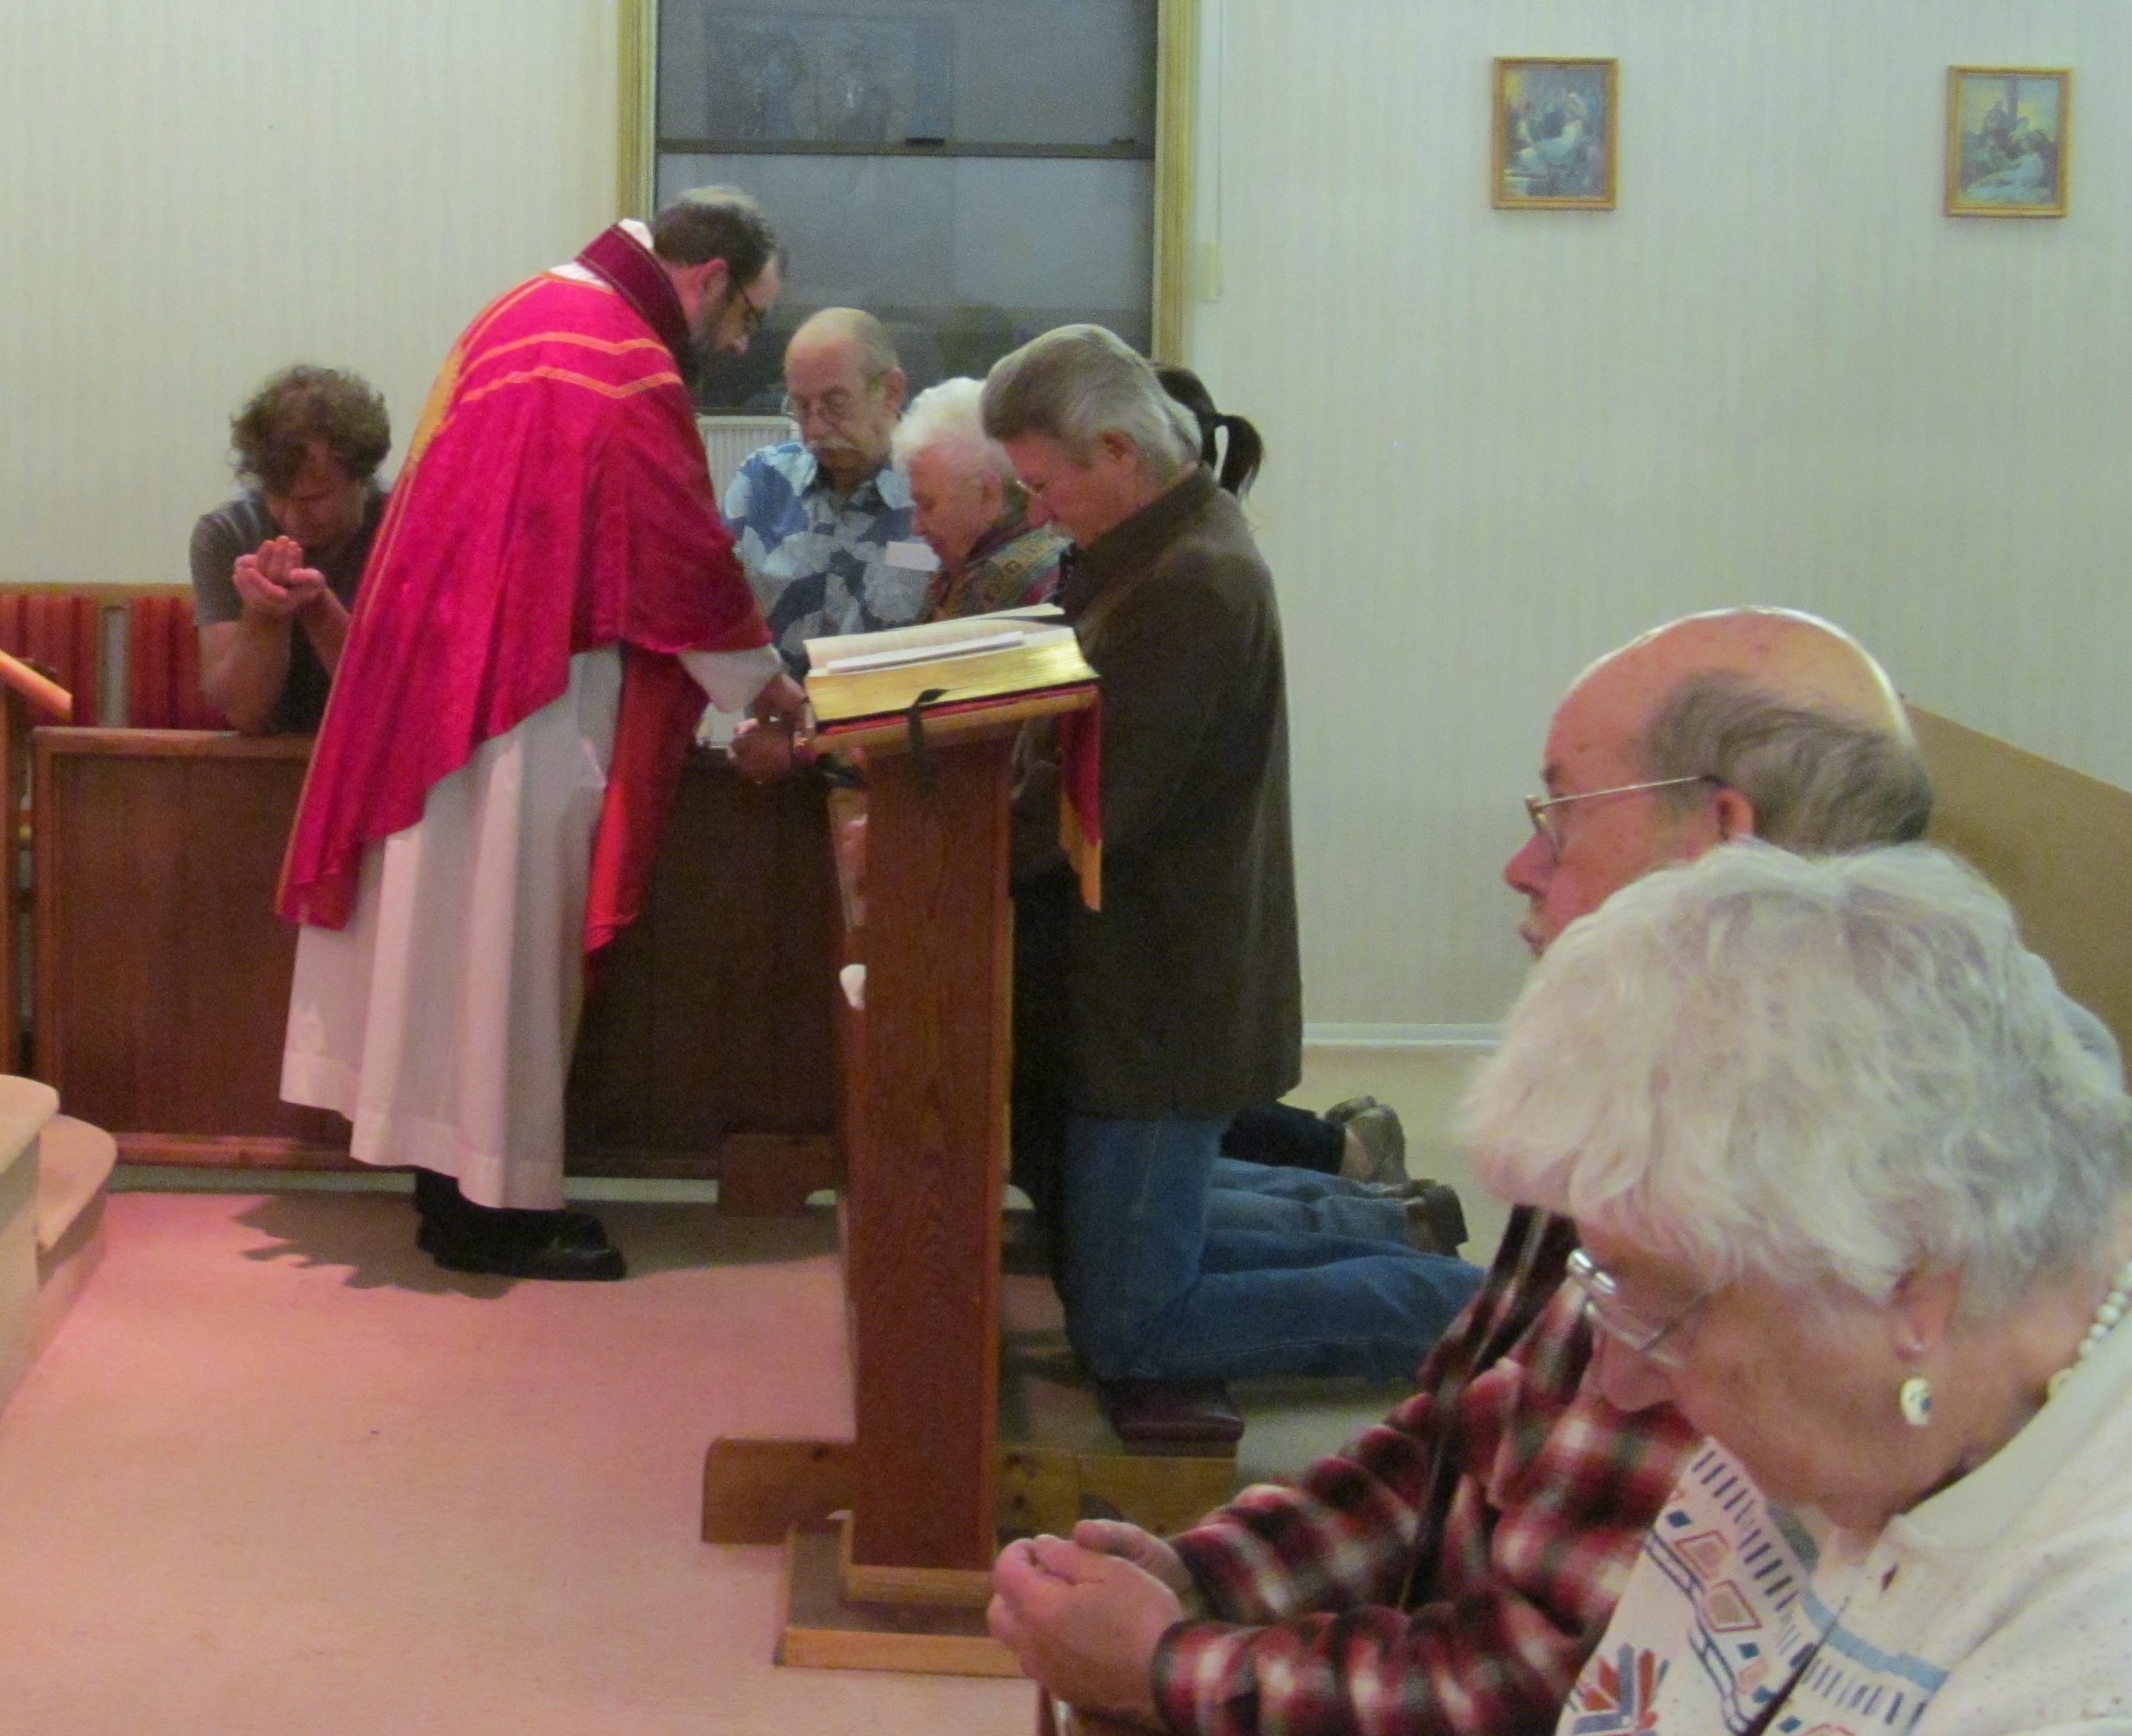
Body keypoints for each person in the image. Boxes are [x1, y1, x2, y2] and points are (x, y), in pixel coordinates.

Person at [987, 608, 1974, 1734]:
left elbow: (1557, 1674)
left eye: (1560, 812)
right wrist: (1209, 1574)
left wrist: (1172, 1666)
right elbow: (1453, 1438)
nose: (1523, 861)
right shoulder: (1650, 1069)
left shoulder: (1791, 1187)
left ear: (1721, 840)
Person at [1465, 842, 2132, 1734]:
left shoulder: (2093, 1660)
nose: (1618, 1383)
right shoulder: (1855, 1425)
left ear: (1912, 1275)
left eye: (1660, 1310)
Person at [277, 188, 805, 1281]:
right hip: (528, 694)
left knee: (439, 951)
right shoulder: (624, 355)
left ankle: (446, 1196)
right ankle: (493, 1211)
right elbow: (683, 551)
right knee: (501, 953)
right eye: (747, 315)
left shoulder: (521, 312)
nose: (740, 341)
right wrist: (765, 684)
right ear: (706, 278)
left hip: (438, 678)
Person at [986, 323, 1485, 1399]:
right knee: (1124, 1237)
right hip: (1128, 981)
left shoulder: (1189, 583)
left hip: (1155, 991)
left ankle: (1475, 1314)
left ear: (1118, 452)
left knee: (1135, 1328)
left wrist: (934, 843)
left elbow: (1093, 810)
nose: (1033, 512)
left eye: (1044, 482)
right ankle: (1391, 1228)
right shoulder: (1151, 548)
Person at [723, 306, 928, 676]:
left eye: (835, 405)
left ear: (892, 391)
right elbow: (713, 611)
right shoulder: (764, 484)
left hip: (902, 728)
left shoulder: (937, 491)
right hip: (784, 724)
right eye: (801, 408)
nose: (816, 429)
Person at [191, 366, 390, 734]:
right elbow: (244, 716)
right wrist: (264, 613)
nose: (294, 518)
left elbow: (390, 706)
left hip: (380, 756)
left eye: (315, 498)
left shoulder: (405, 529)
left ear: (362, 477)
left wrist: (318, 607)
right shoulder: (226, 533)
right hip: (268, 767)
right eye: (277, 498)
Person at [887, 376, 1067, 621]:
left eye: (928, 506)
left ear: (987, 494)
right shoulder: (971, 565)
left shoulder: (1006, 583)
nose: (915, 527)